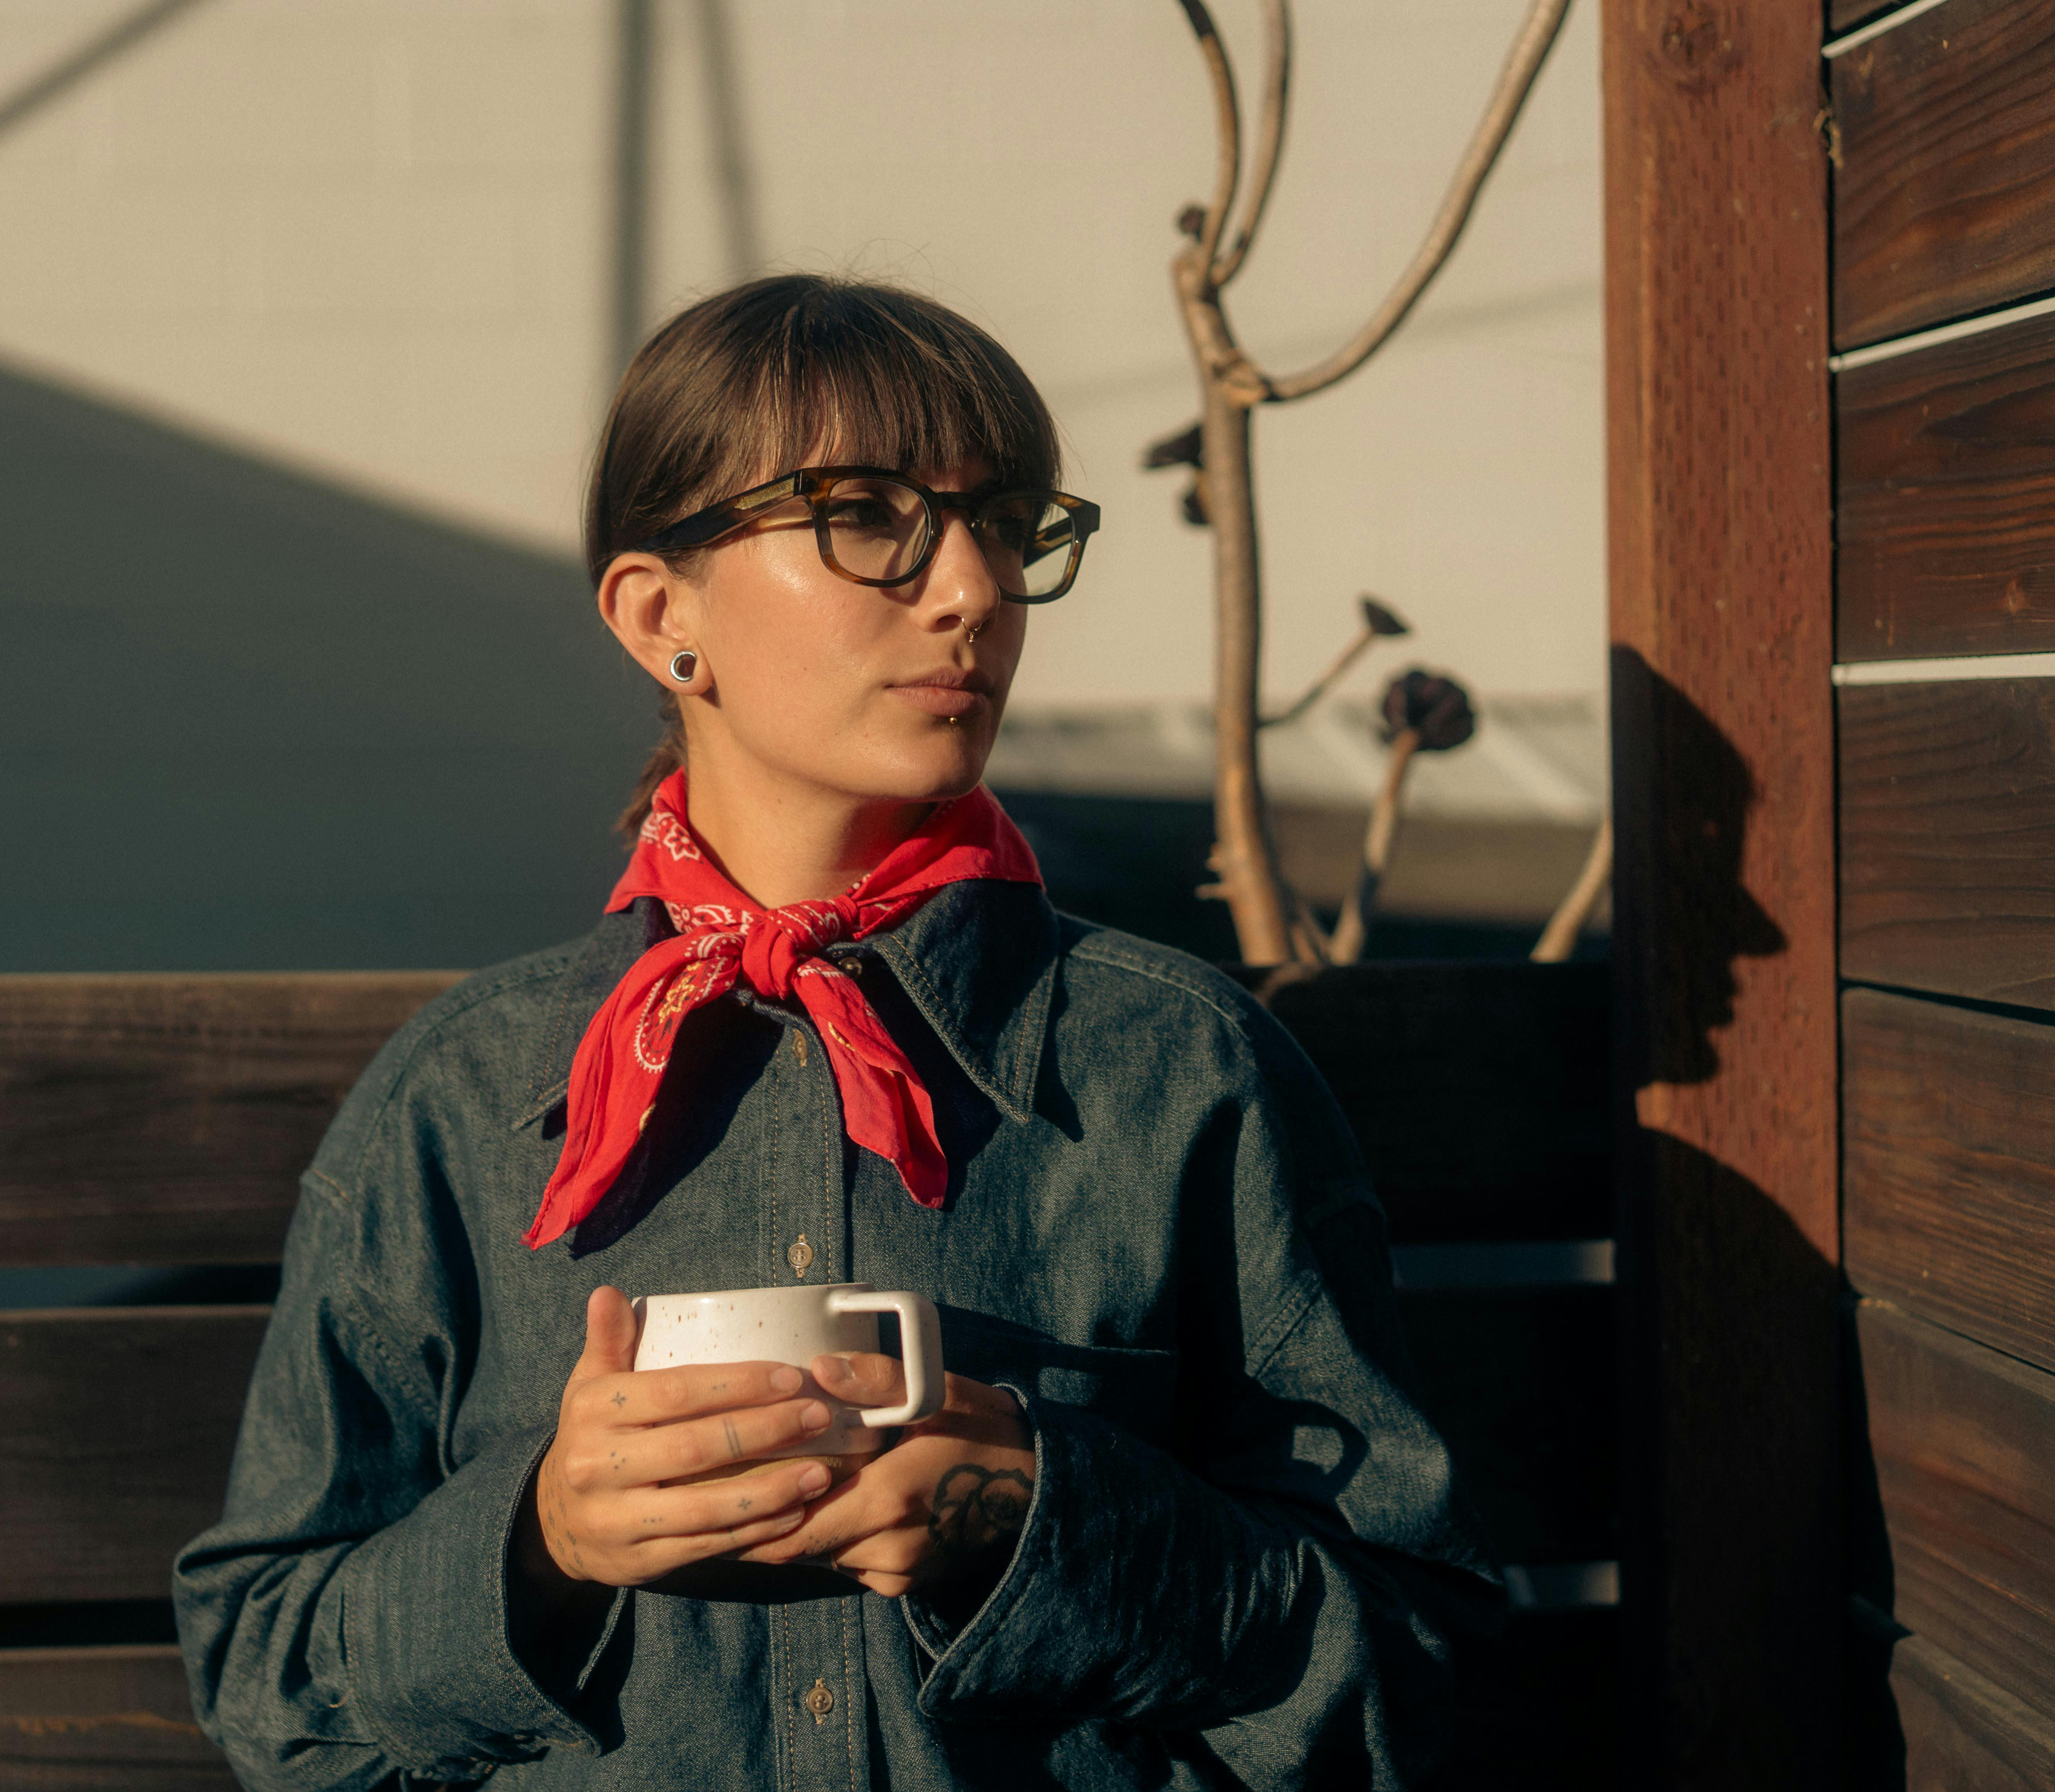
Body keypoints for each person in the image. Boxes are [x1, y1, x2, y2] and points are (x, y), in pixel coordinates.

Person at [174, 273, 1502, 1790]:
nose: (975, 590)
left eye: (1007, 523)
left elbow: (1417, 1668)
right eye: (869, 515)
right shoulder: (468, 1100)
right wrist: (540, 1542)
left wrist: (1048, 1525)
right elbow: (268, 1683)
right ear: (662, 616)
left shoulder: (1179, 1073)